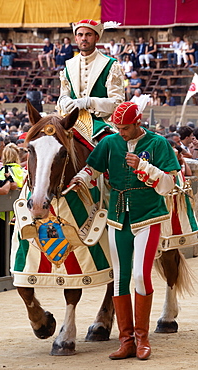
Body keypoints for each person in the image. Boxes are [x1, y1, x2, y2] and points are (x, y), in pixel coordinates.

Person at [69, 101, 181, 360]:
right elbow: (92, 168)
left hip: (149, 216)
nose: (121, 132)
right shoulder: (110, 143)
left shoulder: (158, 144)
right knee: (120, 278)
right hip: (118, 218)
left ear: (138, 122)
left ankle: (142, 339)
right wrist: (81, 179)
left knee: (141, 276)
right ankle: (126, 340)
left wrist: (143, 167)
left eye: (125, 128)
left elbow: (168, 184)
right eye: (118, 127)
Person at [57, 19, 124, 142]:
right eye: (80, 35)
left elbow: (118, 103)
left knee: (110, 144)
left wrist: (88, 102)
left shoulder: (110, 65)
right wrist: (63, 100)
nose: (84, 38)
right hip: (71, 120)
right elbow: (63, 94)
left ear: (97, 38)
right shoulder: (69, 65)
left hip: (100, 122)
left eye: (88, 34)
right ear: (76, 38)